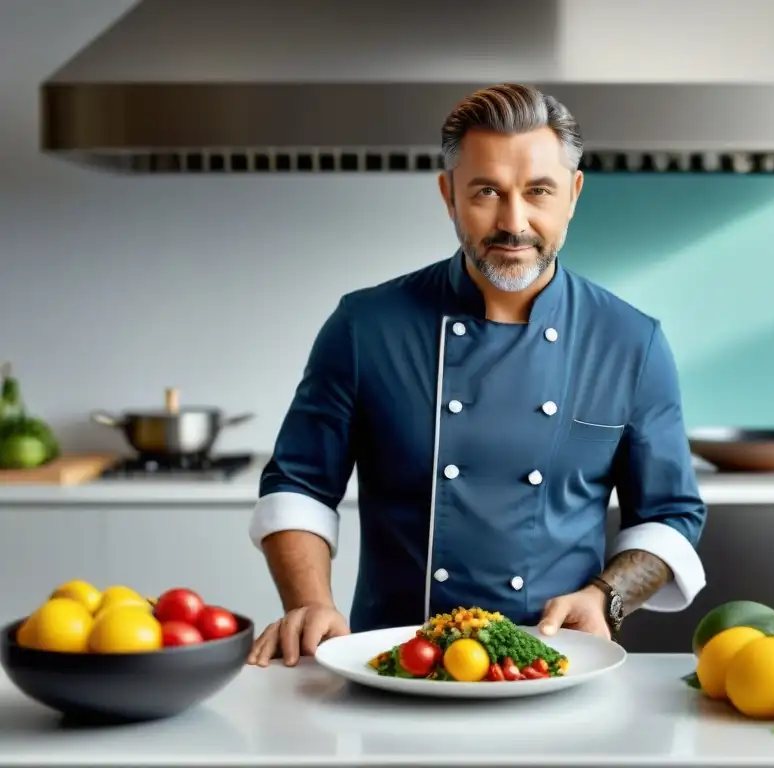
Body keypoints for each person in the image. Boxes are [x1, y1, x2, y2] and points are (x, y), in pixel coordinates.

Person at [246, 83, 708, 668]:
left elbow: (669, 515)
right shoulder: (366, 327)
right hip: (391, 662)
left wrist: (606, 598)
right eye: (487, 191)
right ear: (449, 195)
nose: (514, 223)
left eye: (538, 191)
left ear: (574, 193)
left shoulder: (630, 341)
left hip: (557, 662)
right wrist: (309, 603)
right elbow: (299, 487)